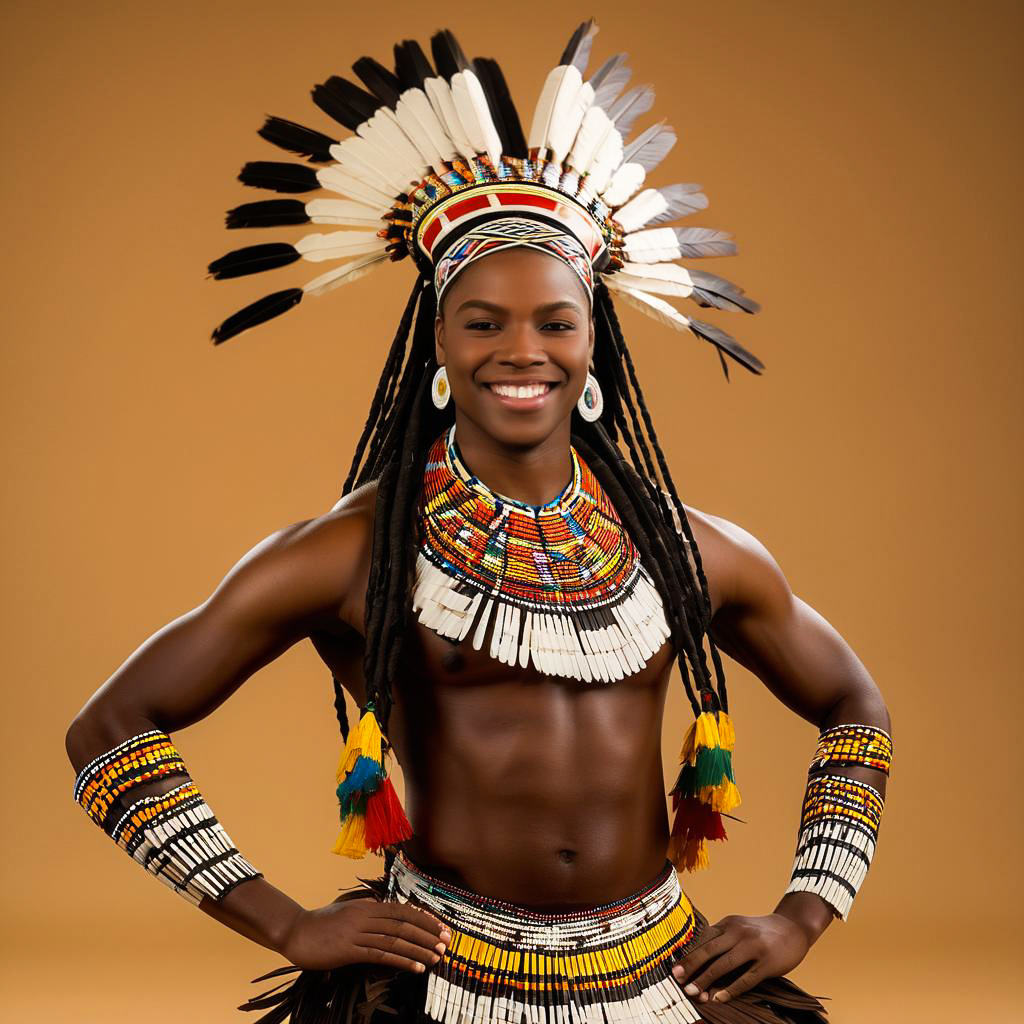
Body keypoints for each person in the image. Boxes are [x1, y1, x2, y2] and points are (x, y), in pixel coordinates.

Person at [65, 21, 893, 1023]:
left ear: (593, 346)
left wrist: (803, 915)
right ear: (438, 346)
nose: (521, 350)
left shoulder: (689, 546)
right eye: (483, 320)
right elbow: (109, 732)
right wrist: (285, 922)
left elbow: (855, 705)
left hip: (665, 971)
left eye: (555, 321)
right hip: (439, 979)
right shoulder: (353, 550)